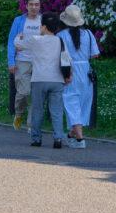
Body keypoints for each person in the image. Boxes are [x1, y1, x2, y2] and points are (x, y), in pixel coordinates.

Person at [14, 12, 72, 149]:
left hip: (39, 79)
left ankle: (36, 138)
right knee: (56, 111)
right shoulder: (60, 41)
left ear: (43, 26)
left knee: (37, 110)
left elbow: (18, 45)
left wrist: (18, 36)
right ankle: (58, 138)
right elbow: (67, 59)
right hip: (57, 80)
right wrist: (69, 75)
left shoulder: (35, 39)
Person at [57, 5, 100, 149]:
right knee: (82, 103)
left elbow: (59, 55)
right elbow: (95, 54)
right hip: (86, 71)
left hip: (69, 70)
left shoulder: (61, 35)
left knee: (71, 102)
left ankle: (80, 139)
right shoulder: (88, 34)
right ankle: (71, 135)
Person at [7, 0, 42, 130]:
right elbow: (11, 42)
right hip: (22, 60)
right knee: (24, 92)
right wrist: (11, 61)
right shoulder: (19, 21)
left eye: (37, 4)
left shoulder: (42, 20)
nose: (34, 7)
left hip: (39, 61)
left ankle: (31, 124)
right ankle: (19, 114)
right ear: (26, 6)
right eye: (31, 4)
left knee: (36, 93)